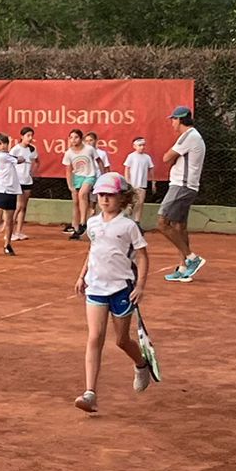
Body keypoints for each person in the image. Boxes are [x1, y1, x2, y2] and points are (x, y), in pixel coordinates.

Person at [73, 173, 154, 414]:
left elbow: (142, 256)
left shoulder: (129, 226)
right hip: (96, 288)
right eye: (101, 195)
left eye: (110, 195)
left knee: (121, 340)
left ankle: (141, 364)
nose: (105, 199)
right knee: (94, 337)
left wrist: (140, 286)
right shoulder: (93, 223)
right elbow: (93, 249)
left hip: (121, 289)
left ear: (122, 198)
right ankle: (90, 393)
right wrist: (82, 275)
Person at [158, 105, 207, 282]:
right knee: (179, 227)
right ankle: (183, 267)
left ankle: (192, 258)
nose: (172, 122)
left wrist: (174, 157)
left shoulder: (188, 136)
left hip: (181, 186)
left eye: (173, 119)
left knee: (162, 222)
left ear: (180, 120)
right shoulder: (194, 136)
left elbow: (166, 157)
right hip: (187, 186)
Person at [62, 128, 97, 238]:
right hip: (77, 178)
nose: (73, 140)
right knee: (76, 202)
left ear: (81, 139)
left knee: (82, 194)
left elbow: (99, 161)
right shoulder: (68, 153)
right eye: (71, 137)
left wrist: (104, 176)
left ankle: (83, 223)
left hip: (90, 176)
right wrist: (70, 185)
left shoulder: (89, 149)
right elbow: (68, 171)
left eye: (76, 137)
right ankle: (76, 230)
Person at [10, 126, 37, 242]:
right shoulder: (15, 150)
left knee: (23, 207)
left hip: (27, 181)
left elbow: (36, 161)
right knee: (18, 206)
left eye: (31, 136)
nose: (30, 138)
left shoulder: (32, 149)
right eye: (28, 135)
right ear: (22, 136)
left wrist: (32, 172)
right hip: (18, 181)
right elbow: (9, 164)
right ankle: (9, 232)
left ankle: (18, 232)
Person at [122, 137, 154, 227]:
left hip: (142, 184)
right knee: (131, 202)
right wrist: (127, 182)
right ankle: (126, 219)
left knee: (140, 202)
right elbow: (127, 169)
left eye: (143, 145)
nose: (142, 147)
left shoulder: (147, 157)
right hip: (132, 184)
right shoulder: (131, 156)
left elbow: (151, 169)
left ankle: (137, 222)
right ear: (134, 146)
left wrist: (153, 182)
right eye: (139, 145)